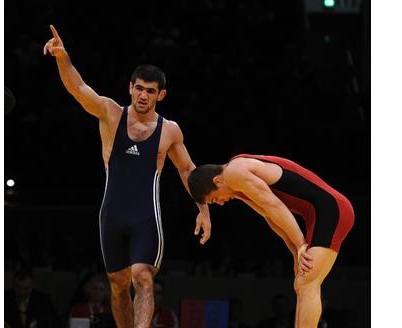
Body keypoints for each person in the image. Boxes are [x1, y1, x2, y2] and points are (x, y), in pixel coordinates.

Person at [43, 25, 211, 328]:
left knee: (143, 276)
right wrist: (62, 57)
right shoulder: (111, 113)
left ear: (161, 95)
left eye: (150, 91)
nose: (143, 95)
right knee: (118, 284)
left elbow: (189, 171)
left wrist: (204, 209)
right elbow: (78, 88)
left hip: (146, 216)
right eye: (138, 88)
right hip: (112, 215)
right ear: (130, 87)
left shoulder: (169, 131)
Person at [187, 154, 354, 328]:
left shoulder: (234, 173)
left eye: (214, 199)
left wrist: (300, 244)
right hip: (319, 213)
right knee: (303, 283)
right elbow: (270, 216)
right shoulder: (237, 184)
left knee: (306, 282)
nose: (220, 203)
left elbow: (275, 206)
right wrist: (295, 251)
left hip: (331, 209)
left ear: (217, 181)